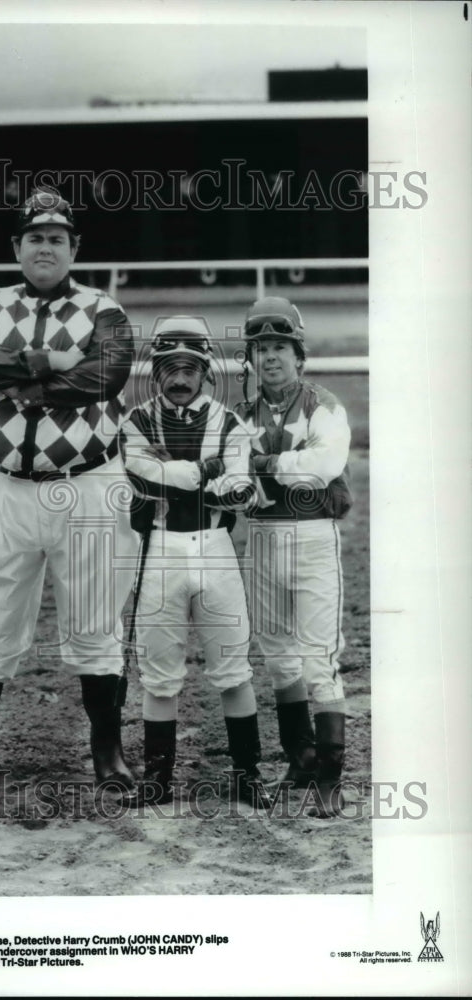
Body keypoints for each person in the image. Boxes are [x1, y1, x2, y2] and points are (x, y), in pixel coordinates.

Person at [0, 187, 138, 790]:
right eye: (35, 237)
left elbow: (108, 372)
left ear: (74, 247)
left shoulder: (104, 307)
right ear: (17, 247)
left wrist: (31, 388)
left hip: (86, 485)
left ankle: (107, 753)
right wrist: (47, 365)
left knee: (95, 614)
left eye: (57, 238)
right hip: (1, 487)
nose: (45, 247)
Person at [121, 316, 271, 809]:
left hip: (213, 548)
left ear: (206, 371)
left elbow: (235, 480)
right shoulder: (136, 421)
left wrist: (234, 485)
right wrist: (210, 472)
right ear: (155, 372)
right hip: (160, 547)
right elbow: (151, 473)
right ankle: (158, 780)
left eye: (190, 368)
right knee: (159, 671)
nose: (180, 378)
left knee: (233, 667)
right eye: (170, 368)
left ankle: (247, 776)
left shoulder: (229, 421)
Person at [235, 297, 353, 818]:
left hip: (311, 536)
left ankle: (330, 773)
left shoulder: (324, 404)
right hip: (262, 538)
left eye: (279, 346)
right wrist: (260, 469)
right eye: (260, 349)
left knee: (318, 659)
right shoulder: (240, 415)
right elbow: (230, 472)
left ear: (298, 353)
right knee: (278, 654)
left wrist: (263, 464)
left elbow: (322, 467)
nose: (270, 358)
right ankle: (300, 756)